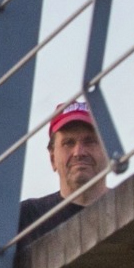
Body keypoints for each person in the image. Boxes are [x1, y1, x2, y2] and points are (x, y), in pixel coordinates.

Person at [24, 98, 109, 240]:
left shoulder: (133, 207)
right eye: (68, 143)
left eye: (90, 141)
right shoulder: (26, 219)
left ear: (108, 150)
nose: (79, 152)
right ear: (52, 158)